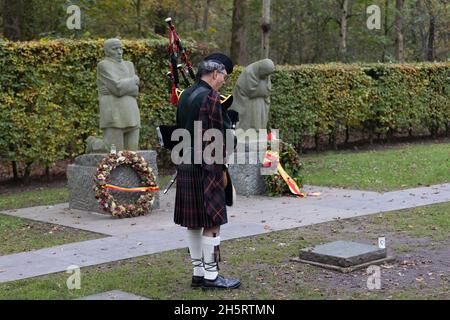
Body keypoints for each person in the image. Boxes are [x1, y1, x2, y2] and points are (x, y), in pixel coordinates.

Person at [174, 53, 241, 290]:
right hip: (207, 167)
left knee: (193, 223)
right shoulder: (211, 97)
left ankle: (198, 273)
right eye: (223, 76)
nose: (224, 81)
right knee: (213, 221)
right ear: (215, 73)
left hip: (185, 165)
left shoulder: (185, 96)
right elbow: (215, 139)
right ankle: (212, 277)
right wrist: (229, 126)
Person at [96, 38, 141, 151]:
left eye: (120, 48)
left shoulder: (129, 65)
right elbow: (118, 88)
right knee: (113, 152)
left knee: (133, 154)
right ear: (106, 51)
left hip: (132, 113)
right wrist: (134, 80)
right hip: (114, 114)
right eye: (115, 49)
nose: (119, 52)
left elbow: (135, 91)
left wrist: (124, 86)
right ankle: (93, 144)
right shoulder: (104, 65)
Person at [230, 58, 275, 130]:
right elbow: (249, 92)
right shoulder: (249, 72)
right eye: (266, 74)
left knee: (260, 117)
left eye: (268, 74)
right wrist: (262, 91)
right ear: (261, 69)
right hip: (246, 103)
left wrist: (263, 92)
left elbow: (267, 91)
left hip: (261, 104)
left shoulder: (265, 75)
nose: (267, 76)